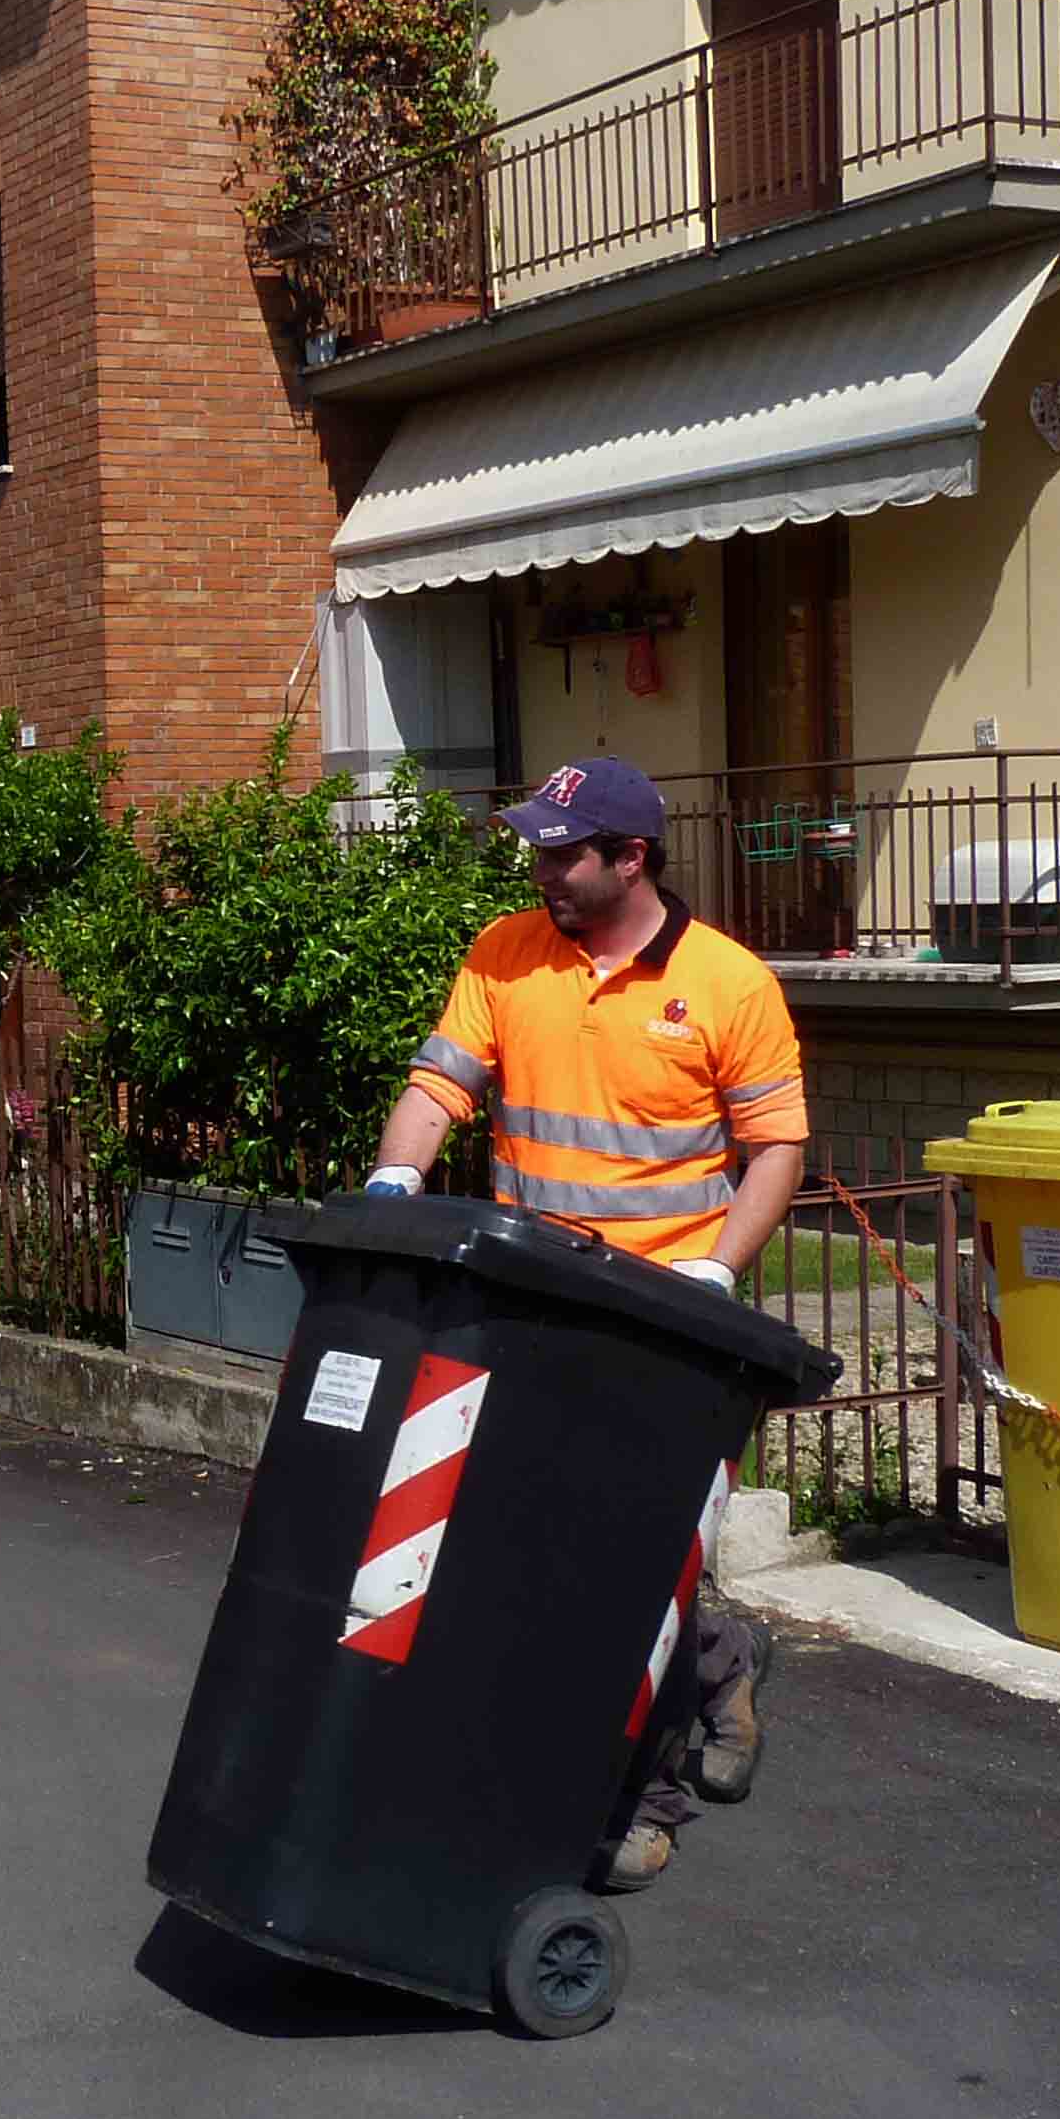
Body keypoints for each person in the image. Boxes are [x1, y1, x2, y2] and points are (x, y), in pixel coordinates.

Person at [367, 755, 808, 1894]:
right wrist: (393, 1180)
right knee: (527, 1547)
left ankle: (642, 1802)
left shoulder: (727, 985)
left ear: (631, 857)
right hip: (536, 1308)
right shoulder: (505, 954)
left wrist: (717, 1272)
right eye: (536, 849)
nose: (542, 869)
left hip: (670, 1326)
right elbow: (437, 1087)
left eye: (564, 852)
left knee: (634, 1563)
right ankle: (719, 1664)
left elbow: (777, 1151)